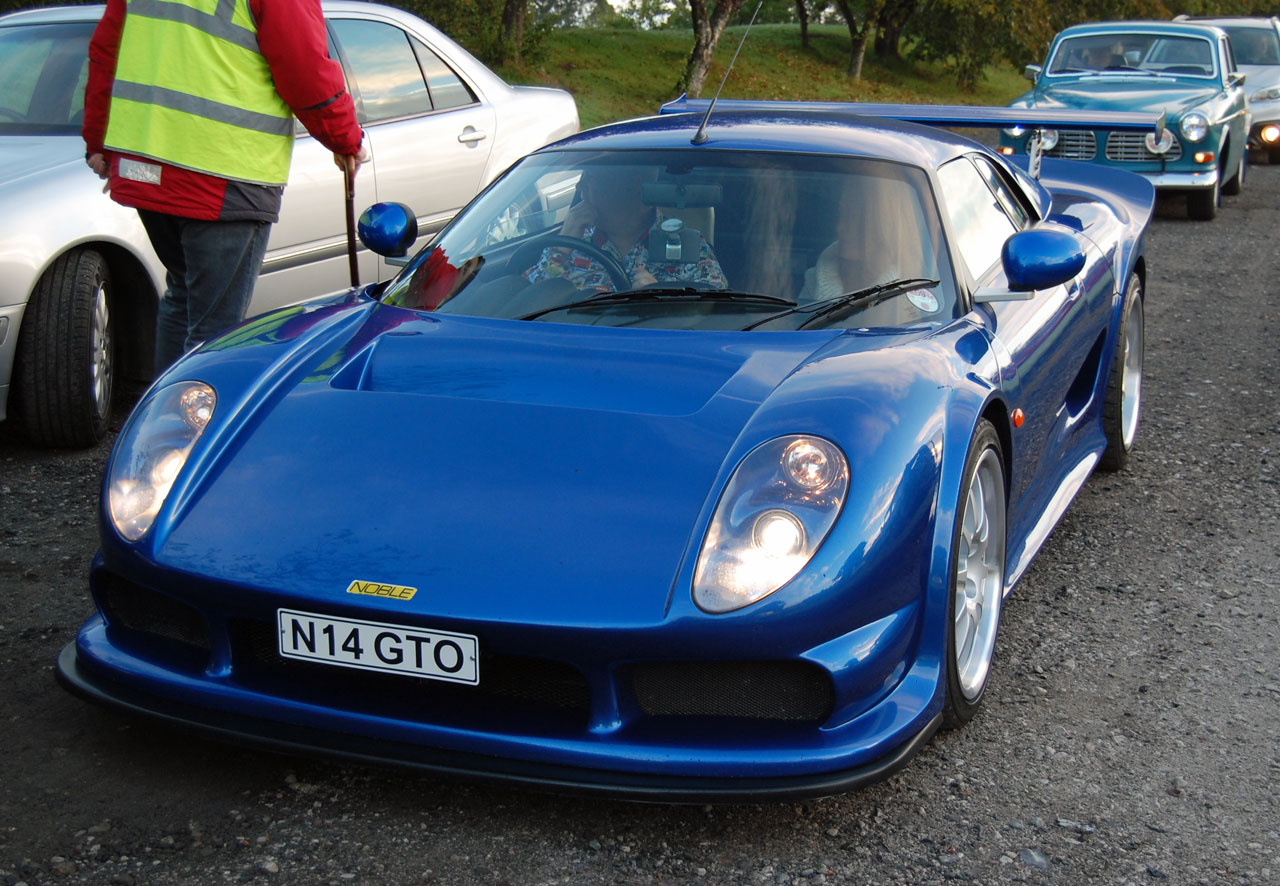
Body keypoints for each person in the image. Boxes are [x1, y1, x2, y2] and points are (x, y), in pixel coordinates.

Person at [82, 0, 369, 372]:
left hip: (148, 169)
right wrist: (345, 139)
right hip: (223, 173)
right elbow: (305, 70)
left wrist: (99, 142)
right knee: (216, 332)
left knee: (183, 298)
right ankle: (196, 409)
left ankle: (165, 407)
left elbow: (107, 53)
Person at [526, 166, 726, 292]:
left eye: (590, 178)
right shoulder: (571, 242)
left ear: (633, 188)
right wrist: (562, 247)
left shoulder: (687, 246)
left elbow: (714, 311)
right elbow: (530, 304)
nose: (580, 188)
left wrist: (660, 297)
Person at [797, 173, 937, 325]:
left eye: (851, 218)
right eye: (841, 214)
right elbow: (795, 328)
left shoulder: (916, 290)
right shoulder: (816, 279)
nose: (839, 227)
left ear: (880, 225)